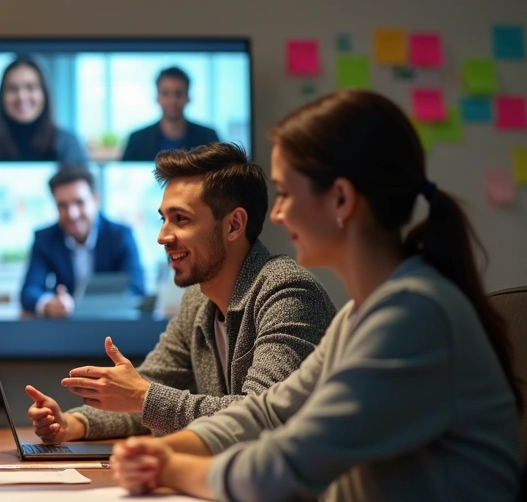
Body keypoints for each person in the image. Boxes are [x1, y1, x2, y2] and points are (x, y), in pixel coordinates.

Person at [114, 90, 525, 502]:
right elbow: (269, 411)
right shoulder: (362, 314)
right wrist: (175, 447)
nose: (277, 214)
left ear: (341, 200)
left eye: (286, 194)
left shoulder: (414, 317)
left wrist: (168, 467)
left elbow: (287, 464)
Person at [25, 143, 336, 445]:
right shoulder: (197, 301)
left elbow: (261, 418)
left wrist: (143, 396)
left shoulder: (288, 292)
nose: (162, 236)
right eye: (164, 219)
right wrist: (72, 423)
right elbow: (148, 392)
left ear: (234, 225)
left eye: (180, 219)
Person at [20, 163, 146, 317]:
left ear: (95, 200)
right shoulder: (45, 239)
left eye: (79, 202)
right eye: (62, 205)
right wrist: (48, 304)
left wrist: (90, 305)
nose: (72, 214)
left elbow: (137, 288)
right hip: (65, 326)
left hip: (111, 323)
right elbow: (29, 291)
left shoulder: (120, 235)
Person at [0, 56, 88, 162]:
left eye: (31, 87)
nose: (22, 97)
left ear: (44, 93)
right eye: (13, 89)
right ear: (2, 96)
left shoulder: (68, 144)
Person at [120, 66, 220, 162]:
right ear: (157, 97)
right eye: (165, 93)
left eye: (178, 93)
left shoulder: (209, 139)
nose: (172, 101)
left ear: (188, 97)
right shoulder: (137, 140)